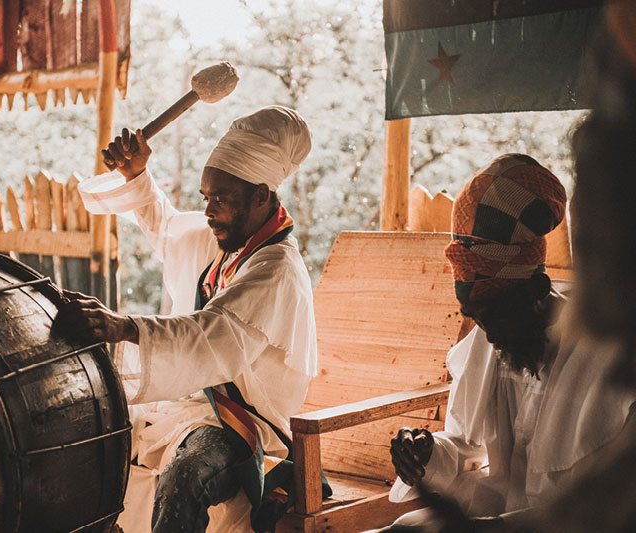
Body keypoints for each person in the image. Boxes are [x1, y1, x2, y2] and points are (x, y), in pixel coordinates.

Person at [57, 106, 324, 533]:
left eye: (222, 199)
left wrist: (123, 326)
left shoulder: (275, 269)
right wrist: (137, 175)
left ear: (260, 196)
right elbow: (168, 231)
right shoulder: (229, 240)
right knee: (82, 432)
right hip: (189, 405)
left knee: (186, 475)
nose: (209, 211)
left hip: (244, 420)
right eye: (206, 198)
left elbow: (210, 335)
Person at [380, 154, 636, 531]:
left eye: (493, 313)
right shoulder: (489, 341)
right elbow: (467, 449)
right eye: (474, 315)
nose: (488, 332)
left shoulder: (609, 357)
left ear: (537, 289)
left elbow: (611, 510)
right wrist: (428, 452)